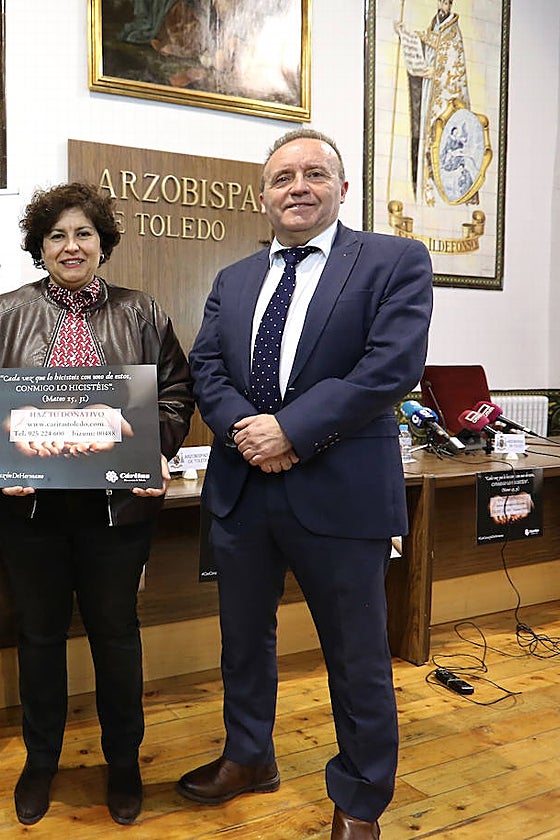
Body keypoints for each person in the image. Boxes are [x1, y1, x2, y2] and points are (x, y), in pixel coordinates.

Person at [181, 129, 433, 840]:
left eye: (314, 173)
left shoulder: (393, 260)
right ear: (263, 196)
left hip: (341, 490)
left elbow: (391, 366)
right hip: (242, 491)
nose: (298, 187)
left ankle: (359, 800)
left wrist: (290, 429)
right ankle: (249, 757)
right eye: (282, 177)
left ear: (342, 189)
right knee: (242, 643)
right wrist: (244, 432)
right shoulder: (233, 279)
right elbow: (208, 370)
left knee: (357, 655)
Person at [0, 182, 195, 826]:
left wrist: (153, 448)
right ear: (40, 246)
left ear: (102, 243)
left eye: (83, 233)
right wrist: (4, 461)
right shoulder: (5, 314)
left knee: (116, 635)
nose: (71, 245)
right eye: (57, 235)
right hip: (31, 512)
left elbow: (175, 394)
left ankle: (123, 761)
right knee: (38, 636)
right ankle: (41, 761)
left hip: (116, 512)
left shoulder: (143, 312)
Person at [395, 0, 471, 204]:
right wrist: (407, 35)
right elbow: (429, 48)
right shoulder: (435, 23)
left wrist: (436, 73)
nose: (443, 5)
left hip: (443, 97)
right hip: (430, 90)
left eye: (447, 2)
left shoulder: (452, 30)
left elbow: (453, 63)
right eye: (441, 1)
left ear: (451, 4)